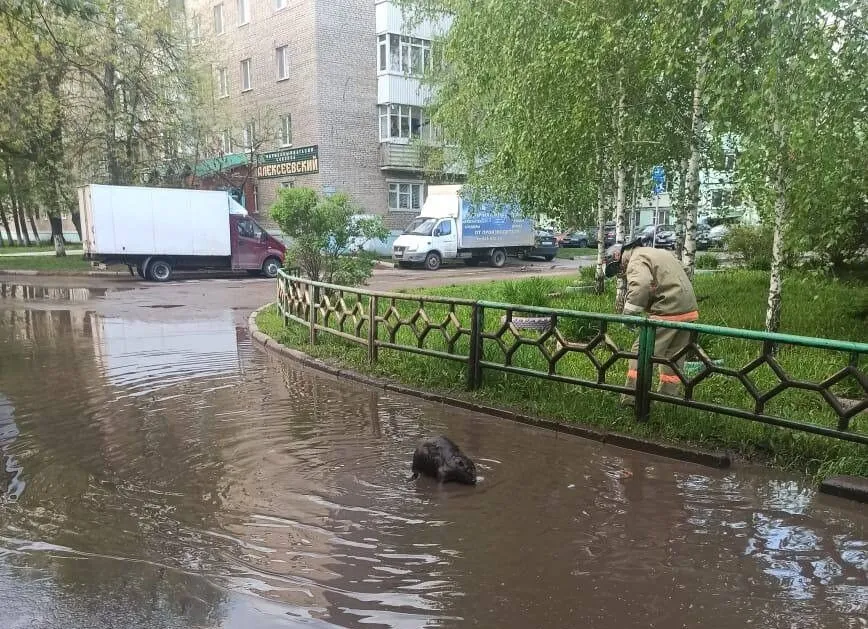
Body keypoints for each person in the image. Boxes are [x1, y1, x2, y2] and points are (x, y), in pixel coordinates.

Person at [603, 240, 699, 404]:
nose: (620, 272)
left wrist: (629, 315)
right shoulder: (656, 252)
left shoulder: (636, 259)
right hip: (688, 311)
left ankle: (632, 398)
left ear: (618, 256)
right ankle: (668, 398)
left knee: (640, 352)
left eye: (616, 268)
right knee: (673, 357)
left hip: (668, 310)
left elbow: (641, 285)